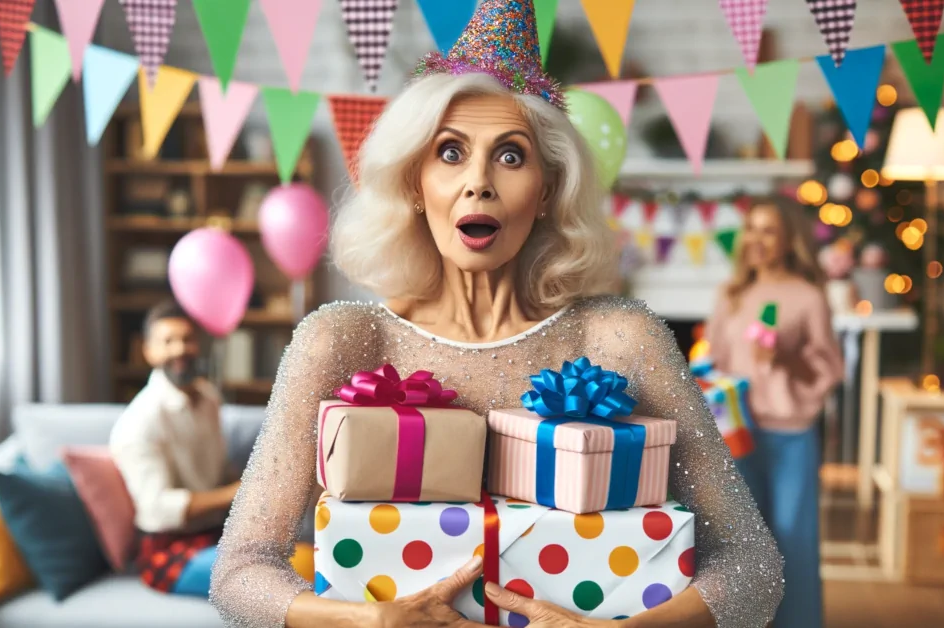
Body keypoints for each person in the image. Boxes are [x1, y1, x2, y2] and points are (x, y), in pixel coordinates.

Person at [210, 1, 783, 626]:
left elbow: (752, 564)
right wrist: (368, 621)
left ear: (545, 192)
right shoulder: (342, 340)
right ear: (412, 184)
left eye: (510, 156)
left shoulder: (620, 337)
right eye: (450, 153)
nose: (478, 181)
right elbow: (238, 572)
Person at [707, 201, 845, 628]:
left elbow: (829, 371)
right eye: (752, 229)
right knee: (742, 542)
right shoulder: (731, 295)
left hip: (790, 435)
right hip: (737, 433)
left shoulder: (807, 297)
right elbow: (715, 364)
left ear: (789, 241)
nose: (758, 240)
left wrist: (784, 357)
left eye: (769, 231)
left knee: (791, 537)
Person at [110, 300, 241, 597]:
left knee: (298, 555)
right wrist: (236, 492)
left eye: (187, 339)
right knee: (276, 571)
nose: (180, 349)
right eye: (168, 341)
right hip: (167, 549)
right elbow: (156, 509)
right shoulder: (137, 421)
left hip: (217, 534)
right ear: (148, 351)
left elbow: (220, 471)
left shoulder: (209, 398)